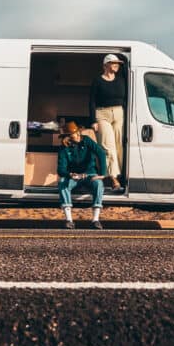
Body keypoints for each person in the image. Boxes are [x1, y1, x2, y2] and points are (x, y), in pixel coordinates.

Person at [57, 121, 106, 229]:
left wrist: (102, 174)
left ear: (78, 133)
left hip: (90, 174)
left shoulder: (87, 140)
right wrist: (70, 174)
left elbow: (101, 153)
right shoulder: (64, 147)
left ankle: (95, 220)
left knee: (98, 183)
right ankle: (69, 220)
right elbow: (60, 169)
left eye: (70, 135)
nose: (67, 138)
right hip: (74, 177)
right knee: (62, 183)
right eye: (66, 136)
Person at [90, 54, 126, 189]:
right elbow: (91, 101)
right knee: (108, 146)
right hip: (102, 114)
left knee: (119, 145)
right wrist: (93, 120)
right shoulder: (98, 81)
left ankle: (122, 174)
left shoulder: (122, 79)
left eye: (118, 63)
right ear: (105, 65)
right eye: (113, 63)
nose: (116, 65)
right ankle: (114, 178)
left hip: (119, 113)